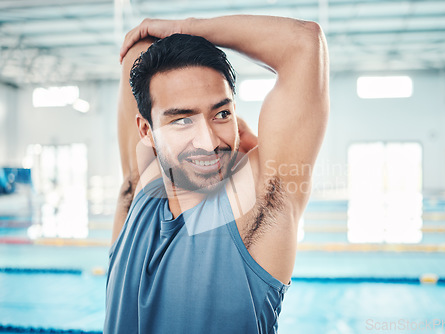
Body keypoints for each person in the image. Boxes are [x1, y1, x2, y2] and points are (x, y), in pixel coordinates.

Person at [105, 15, 329, 333]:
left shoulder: (256, 211)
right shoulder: (138, 190)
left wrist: (188, 27)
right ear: (147, 132)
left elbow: (304, 42)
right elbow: (137, 48)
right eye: (182, 120)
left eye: (221, 114)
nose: (209, 143)